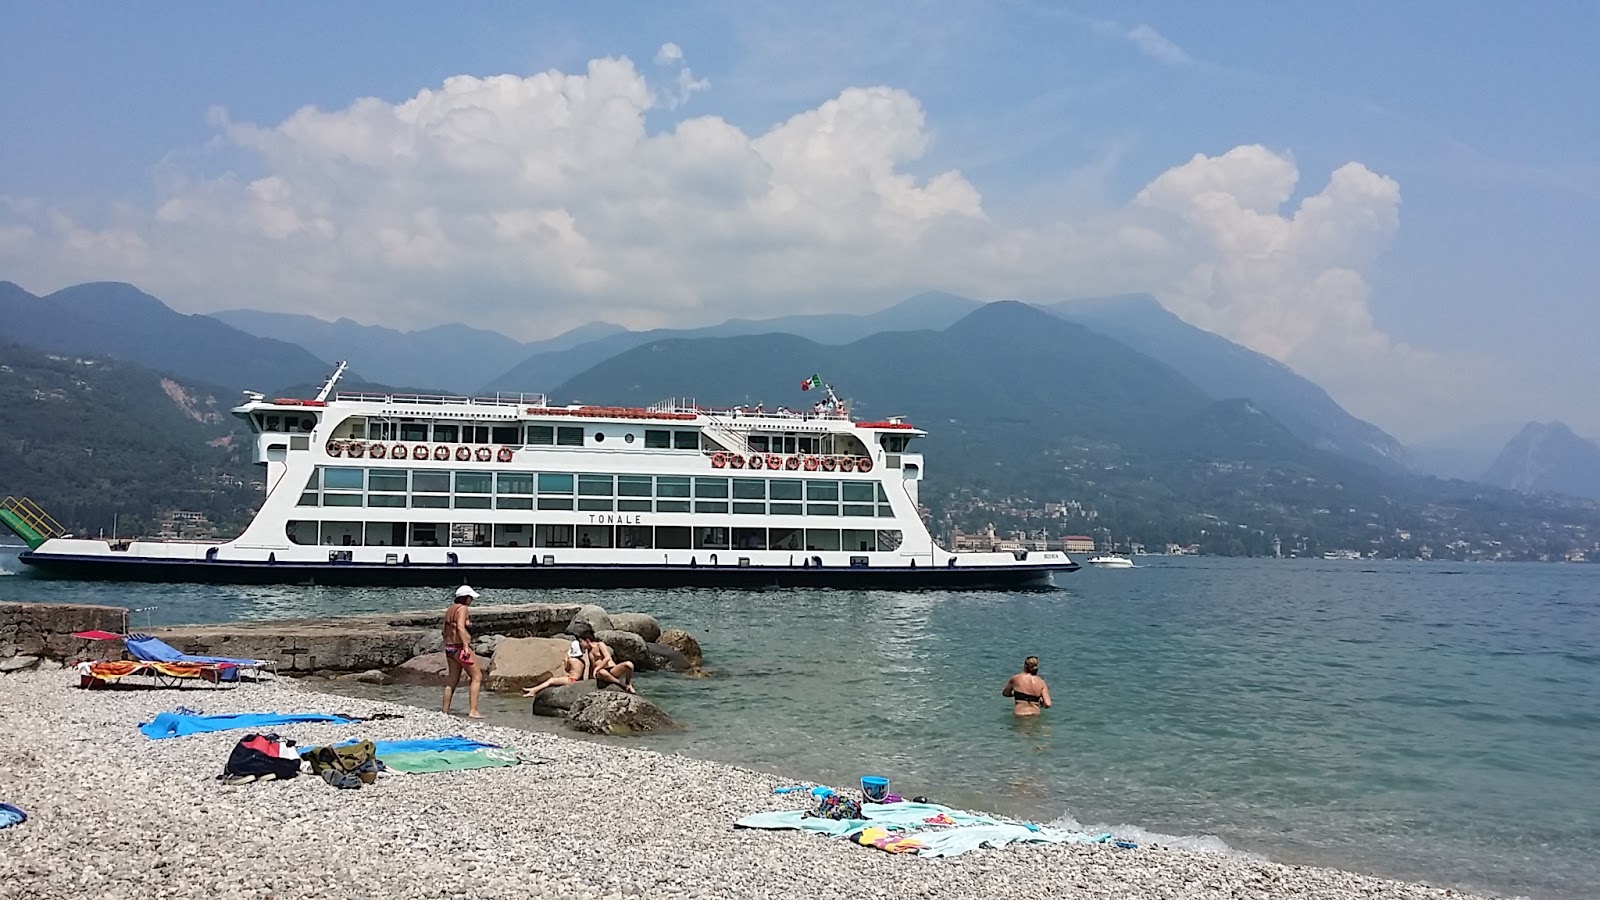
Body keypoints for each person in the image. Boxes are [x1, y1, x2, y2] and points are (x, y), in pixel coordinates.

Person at [442, 585, 484, 719]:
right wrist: (466, 646)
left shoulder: (450, 610)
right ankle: (473, 710)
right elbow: (460, 627)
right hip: (460, 648)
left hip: (449, 648)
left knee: (452, 681)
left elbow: (445, 630)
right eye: (470, 597)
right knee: (477, 677)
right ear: (465, 598)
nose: (471, 600)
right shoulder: (463, 609)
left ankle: (444, 711)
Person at [522, 631, 592, 700]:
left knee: (551, 680)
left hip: (572, 680)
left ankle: (533, 690)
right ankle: (533, 690)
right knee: (556, 680)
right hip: (578, 680)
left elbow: (567, 669)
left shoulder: (571, 660)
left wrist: (566, 661)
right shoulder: (582, 661)